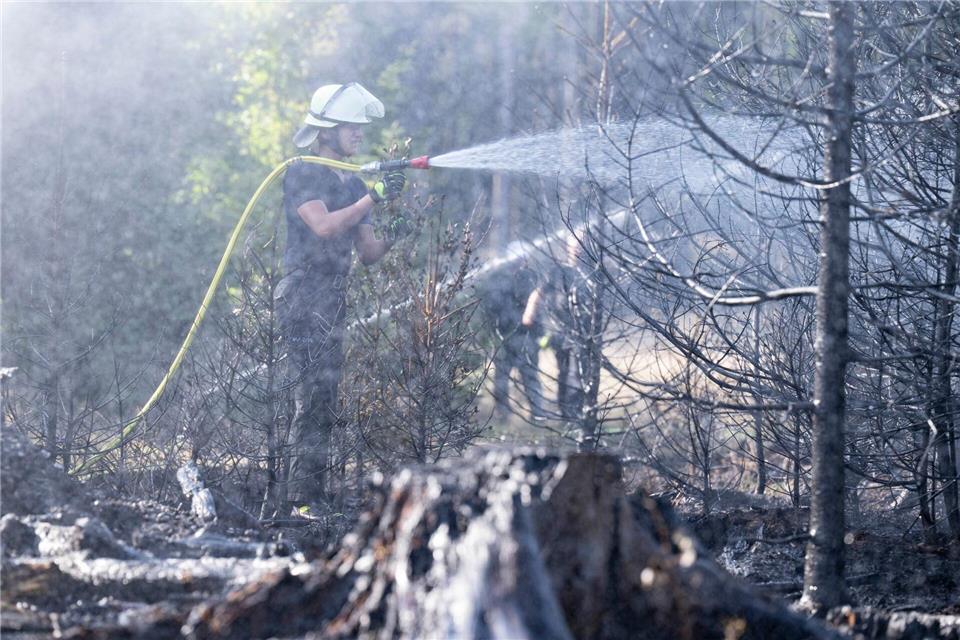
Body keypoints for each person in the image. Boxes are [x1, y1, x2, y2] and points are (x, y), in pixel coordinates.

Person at [276, 82, 404, 509]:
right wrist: (373, 195)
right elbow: (324, 226)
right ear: (327, 131)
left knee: (325, 399)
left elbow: (367, 253)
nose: (359, 134)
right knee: (310, 397)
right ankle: (300, 501)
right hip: (302, 295)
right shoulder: (302, 172)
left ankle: (312, 497)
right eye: (352, 126)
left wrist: (395, 233)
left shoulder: (351, 185)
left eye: (360, 128)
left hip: (332, 298)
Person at [522, 235, 587, 422]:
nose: (578, 250)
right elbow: (539, 293)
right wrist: (529, 313)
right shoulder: (558, 271)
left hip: (584, 334)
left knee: (578, 373)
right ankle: (566, 412)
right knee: (564, 372)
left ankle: (577, 413)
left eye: (582, 246)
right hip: (560, 332)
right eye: (575, 246)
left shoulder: (593, 272)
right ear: (568, 248)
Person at [481, 262, 545, 421]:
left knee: (522, 377)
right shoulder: (523, 280)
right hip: (512, 338)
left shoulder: (503, 281)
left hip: (518, 337)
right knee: (508, 378)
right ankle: (518, 413)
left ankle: (526, 413)